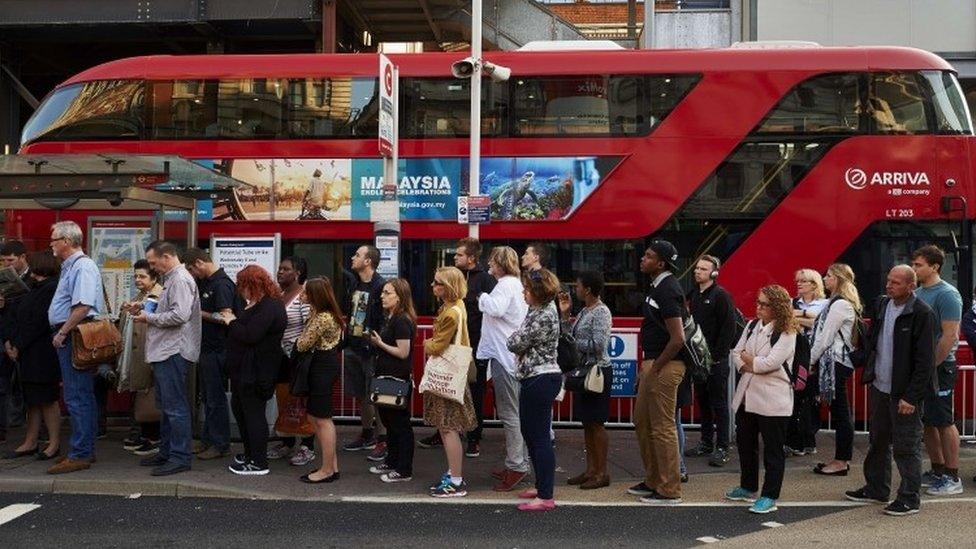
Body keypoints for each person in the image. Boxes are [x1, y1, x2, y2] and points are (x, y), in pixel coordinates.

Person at [845, 265, 936, 516]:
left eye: (896, 283)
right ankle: (877, 488)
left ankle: (909, 498)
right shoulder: (883, 305)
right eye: (888, 281)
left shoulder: (921, 313)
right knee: (878, 440)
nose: (889, 285)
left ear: (911, 286)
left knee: (906, 446)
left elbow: (925, 361)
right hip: (880, 386)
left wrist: (911, 396)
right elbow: (874, 340)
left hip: (903, 392)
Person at [418, 238, 497, 458]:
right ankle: (443, 430)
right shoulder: (454, 295)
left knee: (474, 393)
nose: (455, 257)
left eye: (459, 255)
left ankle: (473, 437)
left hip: (475, 345)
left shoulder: (485, 280)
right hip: (457, 346)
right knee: (447, 392)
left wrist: (427, 344)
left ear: (471, 258)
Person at [725, 284, 798, 514]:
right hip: (748, 396)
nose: (758, 308)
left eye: (764, 305)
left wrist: (750, 363)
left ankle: (769, 495)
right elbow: (736, 353)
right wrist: (751, 362)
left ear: (777, 307)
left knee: (773, 451)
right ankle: (748, 487)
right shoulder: (751, 325)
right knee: (746, 445)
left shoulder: (787, 331)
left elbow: (770, 363)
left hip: (773, 399)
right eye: (758, 302)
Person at [133, 241, 201, 477]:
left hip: (173, 350)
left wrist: (148, 319)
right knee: (167, 406)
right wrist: (146, 309)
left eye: (153, 263)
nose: (153, 268)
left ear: (167, 256)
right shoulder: (172, 279)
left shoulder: (180, 279)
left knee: (175, 407)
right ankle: (168, 451)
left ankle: (179, 456)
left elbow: (180, 315)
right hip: (166, 350)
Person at [46, 221, 106, 474]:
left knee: (77, 396)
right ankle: (83, 449)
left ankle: (80, 453)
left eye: (54, 239)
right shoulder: (72, 266)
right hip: (72, 334)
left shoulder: (82, 266)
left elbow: (82, 306)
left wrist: (62, 331)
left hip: (74, 335)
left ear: (67, 241)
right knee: (81, 395)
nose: (51, 243)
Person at [631, 240, 687, 505]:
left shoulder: (668, 290)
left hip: (665, 364)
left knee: (663, 427)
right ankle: (653, 479)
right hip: (654, 363)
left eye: (649, 256)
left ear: (661, 263)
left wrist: (656, 368)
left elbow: (678, 338)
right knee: (642, 421)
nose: (643, 258)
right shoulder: (657, 286)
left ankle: (669, 489)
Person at [223, 265, 287, 475]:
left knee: (253, 414)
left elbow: (251, 335)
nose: (240, 290)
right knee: (241, 411)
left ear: (253, 285)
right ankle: (250, 454)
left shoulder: (270, 306)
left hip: (257, 371)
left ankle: (258, 462)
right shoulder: (259, 304)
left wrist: (231, 322)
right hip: (245, 370)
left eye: (243, 285)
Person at [507, 268, 563, 512]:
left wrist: (515, 337)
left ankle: (546, 495)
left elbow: (515, 342)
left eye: (527, 289)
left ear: (538, 292)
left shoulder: (543, 315)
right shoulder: (540, 310)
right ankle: (541, 486)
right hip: (535, 377)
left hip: (540, 378)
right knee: (531, 433)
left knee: (539, 437)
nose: (523, 292)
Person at [476, 246, 530, 492]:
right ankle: (519, 462)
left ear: (500, 263)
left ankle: (517, 465)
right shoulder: (516, 284)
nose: (489, 266)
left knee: (510, 414)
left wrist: (481, 297)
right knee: (516, 413)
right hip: (512, 356)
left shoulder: (505, 285)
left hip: (503, 356)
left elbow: (495, 308)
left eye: (492, 262)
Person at [911, 245, 964, 496]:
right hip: (924, 367)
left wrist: (932, 365)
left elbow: (949, 335)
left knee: (944, 421)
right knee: (928, 422)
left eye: (919, 265)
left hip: (941, 367)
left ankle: (953, 477)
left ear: (935, 267)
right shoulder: (918, 292)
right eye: (913, 264)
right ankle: (937, 470)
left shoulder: (948, 294)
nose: (914, 268)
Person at [424, 266, 478, 498]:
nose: (433, 285)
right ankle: (453, 474)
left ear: (448, 287)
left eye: (437, 282)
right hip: (456, 373)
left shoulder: (449, 313)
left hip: (449, 376)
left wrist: (426, 345)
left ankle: (456, 481)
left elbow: (437, 345)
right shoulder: (457, 306)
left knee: (447, 428)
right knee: (449, 427)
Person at [558, 270, 613, 490]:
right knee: (587, 423)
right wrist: (565, 315)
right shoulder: (583, 311)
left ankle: (601, 472)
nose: (576, 289)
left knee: (597, 423)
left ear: (588, 289)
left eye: (579, 286)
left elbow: (599, 344)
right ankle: (591, 470)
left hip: (597, 372)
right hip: (585, 372)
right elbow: (568, 334)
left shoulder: (601, 312)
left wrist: (573, 344)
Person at [3, 251, 61, 460]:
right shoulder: (36, 287)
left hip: (42, 352)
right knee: (32, 400)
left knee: (47, 398)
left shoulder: (50, 288)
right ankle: (30, 440)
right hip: (29, 351)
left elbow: (37, 321)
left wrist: (17, 344)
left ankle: (53, 443)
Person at [809, 264, 861, 476]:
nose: (825, 278)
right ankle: (840, 459)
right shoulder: (838, 303)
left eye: (829, 276)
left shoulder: (840, 305)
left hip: (835, 363)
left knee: (840, 413)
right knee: (838, 412)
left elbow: (825, 337)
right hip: (833, 364)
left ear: (838, 279)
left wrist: (810, 360)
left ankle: (841, 461)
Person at [685, 255, 737, 467]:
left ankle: (722, 447)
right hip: (699, 361)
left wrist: (717, 356)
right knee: (704, 403)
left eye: (704, 269)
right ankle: (706, 442)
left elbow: (729, 328)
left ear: (714, 273)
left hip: (716, 361)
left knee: (719, 404)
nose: (698, 272)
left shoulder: (721, 296)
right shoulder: (696, 296)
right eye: (697, 268)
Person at [184, 248, 235, 461]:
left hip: (217, 349)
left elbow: (226, 317)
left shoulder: (221, 284)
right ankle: (208, 440)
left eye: (191, 269)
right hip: (206, 348)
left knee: (215, 399)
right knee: (207, 398)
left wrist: (199, 313)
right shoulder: (206, 283)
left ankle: (220, 444)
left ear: (199, 263)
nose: (192, 274)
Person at [368, 278, 417, 483]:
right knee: (389, 421)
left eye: (388, 293)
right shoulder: (391, 317)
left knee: (399, 424)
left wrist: (379, 343)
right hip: (386, 376)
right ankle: (392, 460)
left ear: (400, 296)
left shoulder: (402, 320)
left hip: (396, 378)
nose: (382, 296)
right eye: (383, 293)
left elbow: (403, 352)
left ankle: (404, 469)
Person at [295, 277, 344, 483]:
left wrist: (298, 339)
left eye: (305, 292)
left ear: (315, 295)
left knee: (322, 418)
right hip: (322, 366)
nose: (300, 295)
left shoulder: (322, 318)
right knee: (316, 417)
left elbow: (302, 344)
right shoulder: (321, 314)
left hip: (322, 367)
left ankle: (326, 471)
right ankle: (331, 465)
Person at [268, 256, 316, 466]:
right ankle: (286, 442)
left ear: (297, 273)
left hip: (299, 357)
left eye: (285, 269)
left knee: (302, 402)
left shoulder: (304, 296)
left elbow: (310, 327)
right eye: (279, 268)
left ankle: (307, 445)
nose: (280, 272)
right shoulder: (279, 295)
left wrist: (302, 352)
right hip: (280, 358)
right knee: (284, 399)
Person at [342, 245, 387, 459]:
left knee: (376, 395)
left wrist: (376, 342)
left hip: (371, 349)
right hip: (354, 345)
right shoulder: (354, 283)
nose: (353, 257)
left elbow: (384, 318)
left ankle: (383, 439)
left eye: (357, 255)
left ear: (368, 261)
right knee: (361, 394)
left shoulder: (381, 286)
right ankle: (367, 434)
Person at [118, 260, 163, 456]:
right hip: (136, 352)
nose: (138, 279)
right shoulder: (140, 296)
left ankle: (153, 438)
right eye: (135, 276)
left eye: (142, 276)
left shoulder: (157, 296)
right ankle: (146, 436)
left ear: (154, 278)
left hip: (148, 353)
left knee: (149, 395)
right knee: (141, 393)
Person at [786, 268, 829, 456]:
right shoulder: (792, 302)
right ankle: (794, 441)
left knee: (811, 400)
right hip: (795, 355)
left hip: (816, 357)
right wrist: (807, 316)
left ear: (814, 284)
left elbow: (818, 323)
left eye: (803, 281)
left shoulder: (825, 303)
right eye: (798, 280)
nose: (799, 284)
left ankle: (808, 440)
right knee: (795, 397)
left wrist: (798, 315)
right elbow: (786, 320)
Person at [1, 240, 31, 442]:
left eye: (10, 260)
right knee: (3, 386)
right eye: (3, 261)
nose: (6, 265)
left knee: (30, 387)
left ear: (22, 257)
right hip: (6, 337)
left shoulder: (34, 278)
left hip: (27, 340)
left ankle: (36, 432)